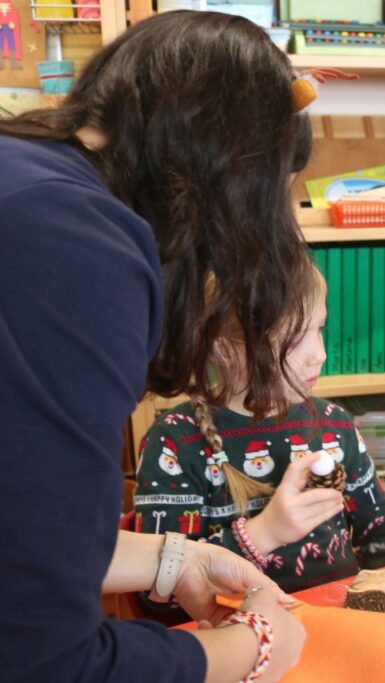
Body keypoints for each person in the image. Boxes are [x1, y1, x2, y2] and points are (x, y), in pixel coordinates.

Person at [0, 11, 325, 682]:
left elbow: (23, 541)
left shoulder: (30, 180)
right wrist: (256, 647)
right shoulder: (77, 248)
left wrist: (167, 558)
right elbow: (45, 662)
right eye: (278, 195)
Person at [134, 266, 385, 595]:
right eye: (294, 340)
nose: (319, 355)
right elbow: (156, 592)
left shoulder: (336, 424)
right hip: (239, 638)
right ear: (224, 350)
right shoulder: (176, 441)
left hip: (342, 625)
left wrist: (382, 603)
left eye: (319, 328)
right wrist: (265, 532)